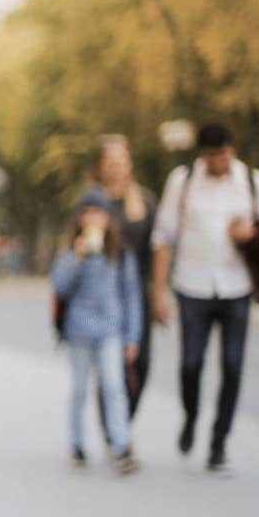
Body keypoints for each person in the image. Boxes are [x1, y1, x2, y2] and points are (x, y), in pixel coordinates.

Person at [149, 122, 259, 472]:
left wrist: (250, 233)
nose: (216, 161)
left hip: (236, 286)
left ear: (231, 151)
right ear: (202, 155)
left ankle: (219, 443)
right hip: (192, 286)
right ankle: (191, 416)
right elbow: (164, 236)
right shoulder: (182, 182)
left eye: (221, 154)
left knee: (233, 366)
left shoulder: (253, 181)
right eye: (209, 156)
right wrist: (158, 292)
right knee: (190, 364)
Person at [51, 188, 143, 474]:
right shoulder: (70, 250)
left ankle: (120, 445)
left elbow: (131, 296)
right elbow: (60, 286)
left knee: (113, 386)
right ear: (80, 218)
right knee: (79, 390)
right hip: (78, 330)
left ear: (108, 218)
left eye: (99, 213)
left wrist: (133, 336)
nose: (94, 218)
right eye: (88, 212)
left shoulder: (120, 252)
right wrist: (76, 258)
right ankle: (77, 443)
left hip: (111, 330)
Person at [93, 135, 157, 417]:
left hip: (138, 293)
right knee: (109, 365)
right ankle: (115, 434)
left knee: (141, 363)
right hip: (103, 293)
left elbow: (157, 250)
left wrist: (158, 293)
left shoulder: (144, 201)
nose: (118, 167)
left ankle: (124, 421)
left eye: (123, 161)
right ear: (101, 166)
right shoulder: (94, 201)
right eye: (112, 162)